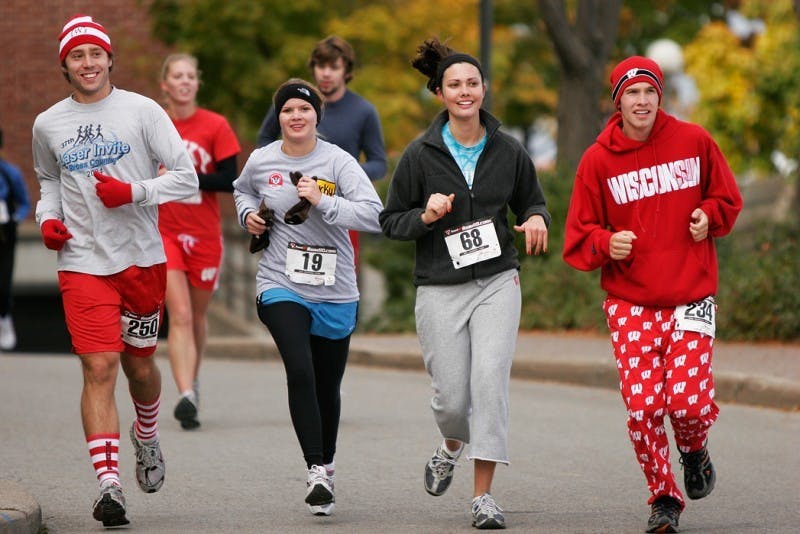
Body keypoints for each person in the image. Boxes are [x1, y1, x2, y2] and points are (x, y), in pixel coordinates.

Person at [562, 56, 743, 533]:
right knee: (643, 409)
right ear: (617, 101)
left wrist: (708, 215)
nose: (641, 101)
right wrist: (607, 243)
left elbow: (727, 199)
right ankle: (664, 498)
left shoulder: (694, 141)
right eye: (632, 93)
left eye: (649, 92)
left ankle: (694, 449)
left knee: (688, 405)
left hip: (691, 296)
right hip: (630, 303)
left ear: (660, 96)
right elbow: (579, 236)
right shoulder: (597, 161)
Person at [32, 15, 198, 528]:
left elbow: (187, 178)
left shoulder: (142, 111)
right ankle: (110, 486)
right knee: (99, 367)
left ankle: (146, 436)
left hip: (141, 260)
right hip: (82, 262)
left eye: (95, 54)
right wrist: (48, 219)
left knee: (139, 367)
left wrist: (134, 192)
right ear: (65, 65)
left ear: (109, 59)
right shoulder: (47, 124)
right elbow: (48, 180)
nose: (87, 63)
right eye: (77, 56)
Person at [380, 38, 550, 530]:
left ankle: (483, 497)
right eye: (454, 84)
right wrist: (426, 216)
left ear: (484, 89)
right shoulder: (420, 154)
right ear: (440, 93)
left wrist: (536, 219)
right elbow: (391, 221)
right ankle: (451, 443)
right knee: (452, 400)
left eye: (472, 83)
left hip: (497, 280)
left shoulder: (508, 149)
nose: (465, 91)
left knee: (490, 383)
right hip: (440, 286)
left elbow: (532, 201)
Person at [233, 78, 383, 517]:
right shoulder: (262, 159)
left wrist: (324, 201)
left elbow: (374, 214)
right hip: (281, 282)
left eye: (304, 109)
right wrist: (248, 215)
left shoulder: (338, 161)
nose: (296, 116)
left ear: (317, 115)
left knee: (326, 386)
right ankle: (315, 470)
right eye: (287, 110)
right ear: (278, 117)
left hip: (336, 291)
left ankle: (328, 466)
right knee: (299, 369)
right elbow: (243, 189)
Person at [158, 53, 241, 430]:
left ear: (197, 82)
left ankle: (193, 377)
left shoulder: (215, 125)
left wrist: (183, 177)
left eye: (190, 76)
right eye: (178, 76)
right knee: (180, 314)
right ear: (166, 84)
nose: (185, 82)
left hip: (205, 234)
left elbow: (229, 179)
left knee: (197, 316)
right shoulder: (154, 125)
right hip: (165, 231)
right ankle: (185, 393)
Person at [256, 35, 386, 271]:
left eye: (333, 67)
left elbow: (379, 163)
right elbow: (264, 139)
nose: (326, 73)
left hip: (338, 207)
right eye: (320, 66)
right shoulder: (293, 102)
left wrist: (341, 175)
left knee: (337, 275)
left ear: (346, 71)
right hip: (290, 203)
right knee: (284, 272)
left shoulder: (364, 111)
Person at [0, 127, 31, 351]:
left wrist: (15, 219)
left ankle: (4, 318)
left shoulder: (10, 173)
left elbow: (24, 203)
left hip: (4, 235)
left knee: (3, 281)